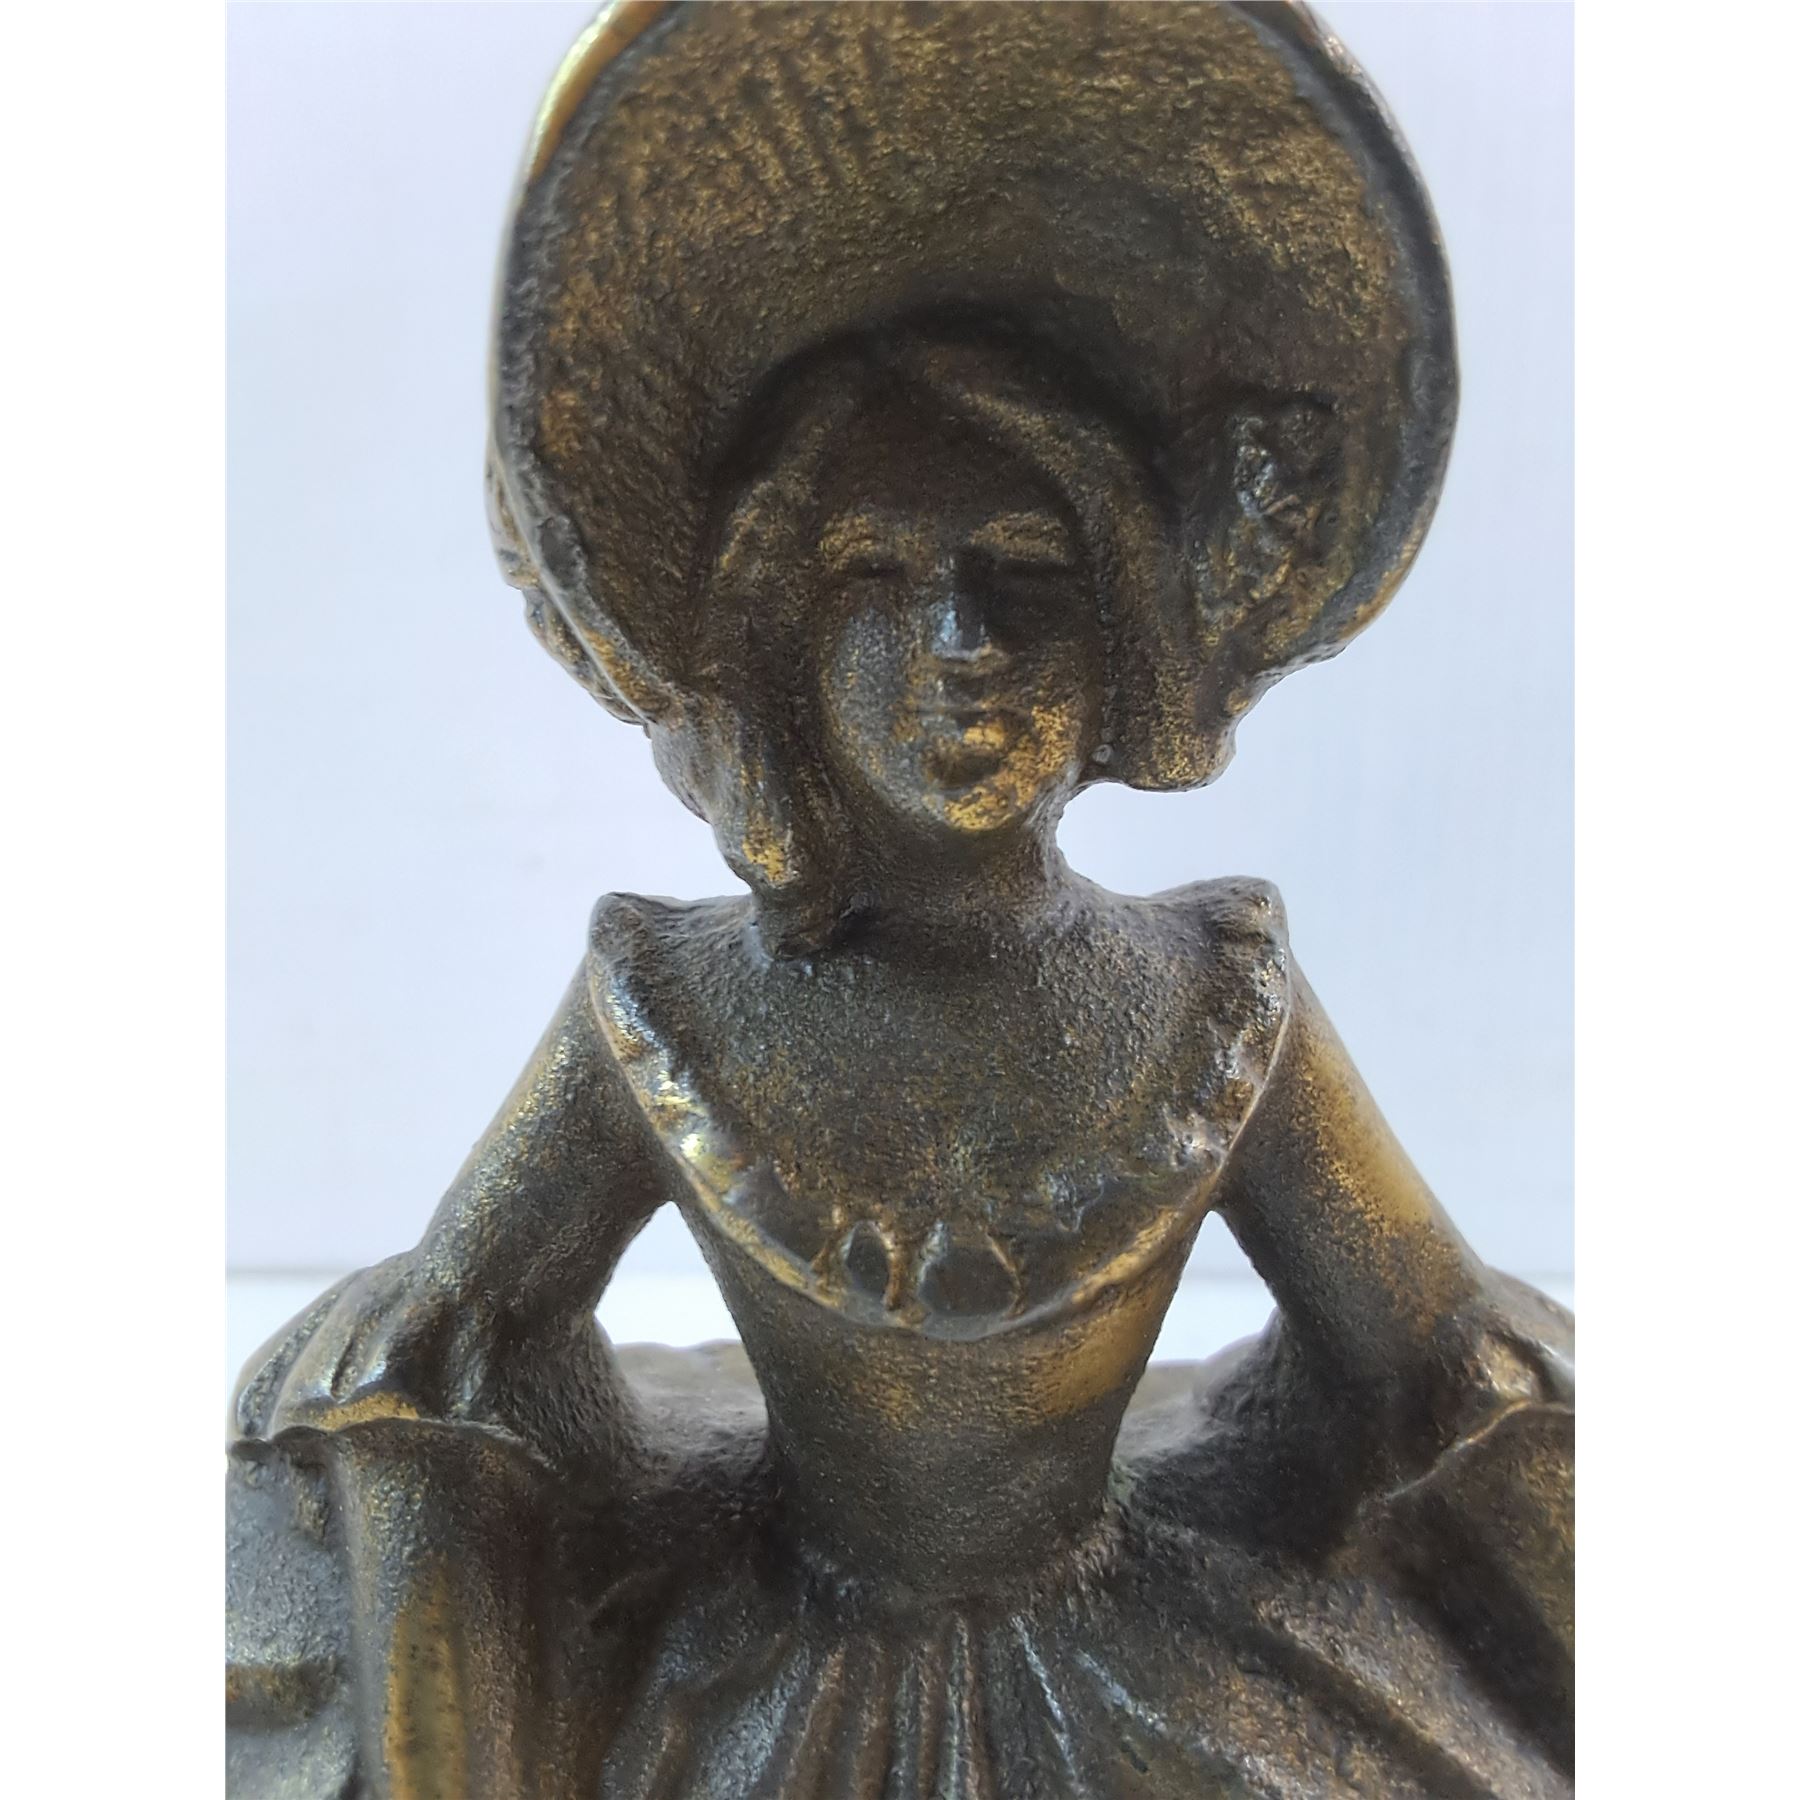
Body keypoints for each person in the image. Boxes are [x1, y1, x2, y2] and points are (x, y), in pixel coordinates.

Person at [228, 7, 1572, 1796]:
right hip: (774, 1691)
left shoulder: (1214, 997)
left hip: (1140, 1667)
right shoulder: (670, 1005)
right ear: (777, 639)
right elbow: (447, 1340)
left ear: (1127, 629)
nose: (962, 644)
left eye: (1027, 572)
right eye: (879, 579)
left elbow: (1434, 1352)